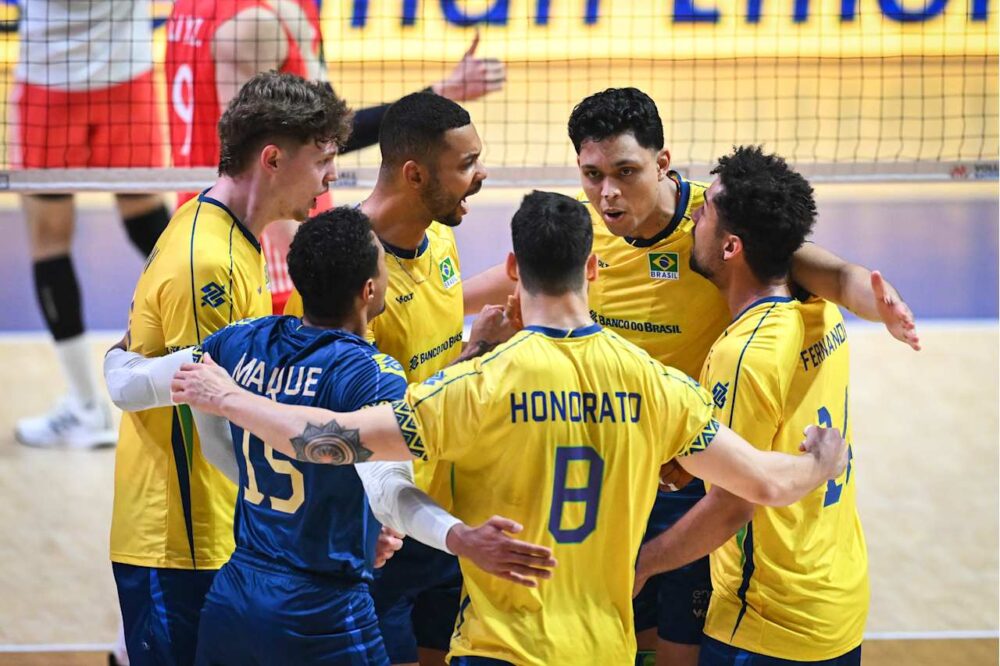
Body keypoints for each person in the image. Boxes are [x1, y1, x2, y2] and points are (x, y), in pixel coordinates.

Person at [171, 190, 850, 665]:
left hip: (499, 648)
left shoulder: (476, 387)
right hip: (602, 649)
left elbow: (327, 441)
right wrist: (820, 463)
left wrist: (229, 399)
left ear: (513, 272)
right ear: (592, 269)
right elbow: (764, 483)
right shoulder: (658, 385)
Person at [463, 87, 918, 666]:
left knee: (675, 647)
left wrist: (883, 306)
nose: (608, 192)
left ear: (662, 162)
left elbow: (830, 273)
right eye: (592, 174)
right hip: (613, 477)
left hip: (692, 483)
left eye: (625, 171)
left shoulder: (714, 228)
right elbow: (500, 282)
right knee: (611, 639)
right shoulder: (583, 229)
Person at [106, 206, 557, 664]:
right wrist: (459, 537)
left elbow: (128, 387)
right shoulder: (370, 375)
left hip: (234, 601)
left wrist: (118, 352)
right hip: (323, 613)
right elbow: (389, 491)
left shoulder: (239, 342)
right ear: (370, 290)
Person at [106, 71, 351, 666]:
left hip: (221, 529)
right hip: (184, 539)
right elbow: (212, 419)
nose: (332, 177)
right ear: (273, 159)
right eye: (322, 160)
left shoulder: (232, 233)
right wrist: (299, 517)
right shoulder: (208, 261)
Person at [283, 91, 505, 666]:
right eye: (466, 164)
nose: (480, 175)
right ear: (414, 174)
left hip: (447, 515)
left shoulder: (440, 234)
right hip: (381, 532)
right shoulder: (341, 272)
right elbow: (330, 425)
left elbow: (430, 347)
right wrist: (477, 355)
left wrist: (490, 331)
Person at [634, 147, 867, 665]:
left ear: (731, 246)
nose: (694, 215)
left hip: (768, 618)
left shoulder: (743, 353)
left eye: (706, 212)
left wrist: (642, 565)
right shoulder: (821, 311)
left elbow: (732, 505)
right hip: (837, 599)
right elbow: (771, 431)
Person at [166, 0, 504, 313]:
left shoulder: (190, 8)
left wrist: (439, 93)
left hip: (203, 218)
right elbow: (260, 170)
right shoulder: (255, 24)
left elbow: (328, 129)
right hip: (266, 244)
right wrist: (314, 270)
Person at [12, 0, 171, 448]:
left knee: (49, 240)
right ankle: (227, 358)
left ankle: (86, 407)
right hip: (126, 76)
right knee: (145, 217)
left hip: (50, 78)